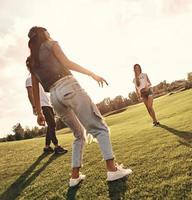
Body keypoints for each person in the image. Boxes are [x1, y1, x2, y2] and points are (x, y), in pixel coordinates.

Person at [27, 26, 132, 187]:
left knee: (79, 135)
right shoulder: (51, 43)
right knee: (99, 127)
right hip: (69, 87)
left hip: (54, 98)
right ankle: (112, 169)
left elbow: (35, 88)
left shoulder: (31, 60)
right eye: (47, 31)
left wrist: (39, 112)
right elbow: (67, 63)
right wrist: (92, 73)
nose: (49, 33)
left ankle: (74, 176)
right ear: (43, 34)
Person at [25, 71, 67, 154]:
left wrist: (52, 106)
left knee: (50, 125)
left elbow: (45, 94)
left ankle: (47, 147)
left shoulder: (40, 80)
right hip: (41, 105)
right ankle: (57, 146)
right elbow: (30, 93)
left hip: (48, 105)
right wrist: (35, 107)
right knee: (52, 124)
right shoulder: (29, 79)